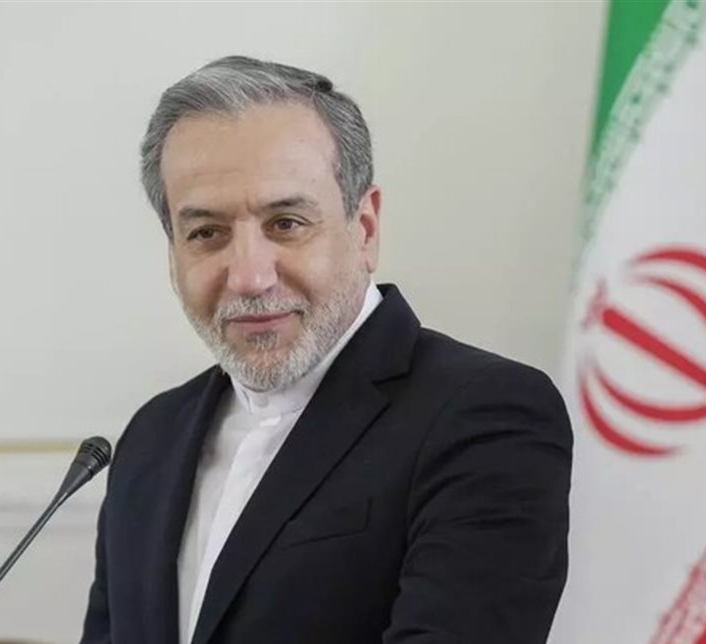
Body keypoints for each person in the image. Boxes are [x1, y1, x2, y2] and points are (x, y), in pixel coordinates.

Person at [80, 55, 571, 644]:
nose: (249, 277)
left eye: (286, 223)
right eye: (206, 233)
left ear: (365, 229)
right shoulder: (151, 437)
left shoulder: (486, 414)